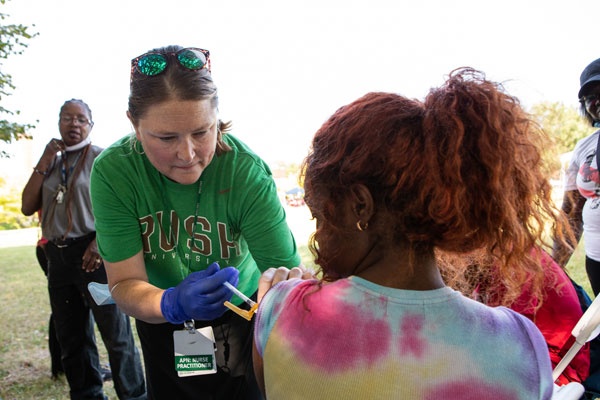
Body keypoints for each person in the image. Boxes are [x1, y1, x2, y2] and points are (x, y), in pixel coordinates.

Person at [252, 68, 569, 399]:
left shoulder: (282, 308)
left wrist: (279, 298)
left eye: (321, 217)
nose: (317, 241)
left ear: (360, 205)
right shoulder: (520, 348)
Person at [89, 45, 302, 400]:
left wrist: (283, 291)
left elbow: (287, 275)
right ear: (134, 125)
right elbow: (124, 283)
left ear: (218, 119)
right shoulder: (115, 172)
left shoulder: (244, 170)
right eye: (166, 138)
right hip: (161, 314)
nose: (187, 154)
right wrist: (171, 303)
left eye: (203, 132)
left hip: (243, 313)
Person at [21, 99, 146, 400]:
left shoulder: (101, 159)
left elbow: (126, 209)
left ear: (91, 125)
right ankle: (87, 394)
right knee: (72, 335)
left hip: (94, 257)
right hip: (58, 258)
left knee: (115, 334)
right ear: (58, 122)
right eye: (67, 118)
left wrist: (99, 243)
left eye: (81, 119)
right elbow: (26, 206)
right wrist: (44, 157)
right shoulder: (50, 162)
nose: (73, 124)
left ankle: (134, 395)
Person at [553, 57, 600, 297]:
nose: (597, 101)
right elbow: (571, 215)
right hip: (596, 261)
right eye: (590, 97)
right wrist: (554, 267)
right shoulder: (584, 148)